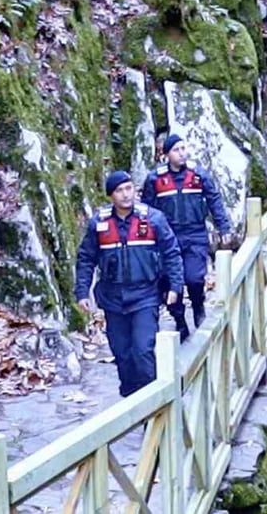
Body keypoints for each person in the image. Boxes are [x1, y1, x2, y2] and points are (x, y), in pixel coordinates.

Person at [75, 170, 183, 397]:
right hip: (113, 299)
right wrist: (82, 291)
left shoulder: (153, 219)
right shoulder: (99, 224)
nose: (125, 195)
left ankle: (152, 408)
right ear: (111, 196)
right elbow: (86, 258)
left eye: (128, 188)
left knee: (143, 351)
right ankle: (132, 399)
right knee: (122, 355)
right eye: (119, 191)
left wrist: (175, 285)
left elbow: (171, 252)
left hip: (145, 295)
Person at [141, 134, 233, 340]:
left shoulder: (198, 175)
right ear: (166, 155)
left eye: (183, 148)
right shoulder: (155, 179)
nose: (182, 153)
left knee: (193, 277)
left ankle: (198, 307)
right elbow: (146, 211)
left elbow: (214, 200)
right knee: (170, 282)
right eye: (176, 150)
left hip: (194, 234)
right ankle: (180, 320)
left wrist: (224, 227)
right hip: (167, 238)